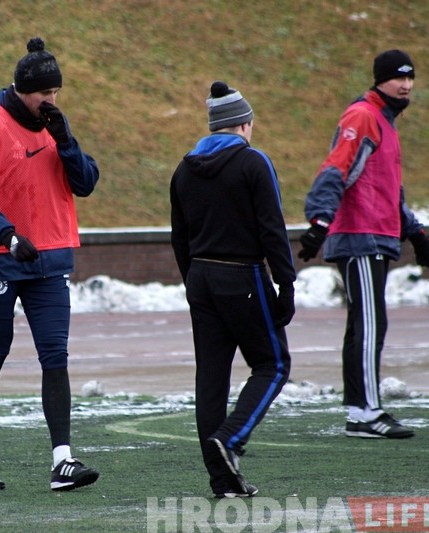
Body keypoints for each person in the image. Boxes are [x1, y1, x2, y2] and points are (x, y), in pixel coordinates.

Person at [0, 37, 100, 491]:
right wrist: (7, 235)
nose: (51, 100)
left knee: (55, 357)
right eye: (44, 93)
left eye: (56, 92)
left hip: (50, 261)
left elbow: (86, 183)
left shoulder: (56, 127)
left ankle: (63, 461)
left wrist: (67, 141)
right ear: (22, 89)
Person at [299, 49, 429, 439]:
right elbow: (336, 168)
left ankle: (360, 412)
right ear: (380, 80)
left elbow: (389, 190)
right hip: (361, 236)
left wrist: (415, 233)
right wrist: (320, 220)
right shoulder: (363, 117)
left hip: (376, 235)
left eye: (410, 78)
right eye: (398, 78)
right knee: (370, 324)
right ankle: (367, 413)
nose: (406, 85)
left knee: (363, 324)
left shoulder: (385, 122)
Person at [170, 81, 296, 498]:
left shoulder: (184, 169)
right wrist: (286, 283)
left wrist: (192, 281)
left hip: (200, 278)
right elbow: (272, 227)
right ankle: (232, 438)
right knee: (273, 364)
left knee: (211, 378)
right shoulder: (253, 163)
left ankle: (223, 480)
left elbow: (179, 237)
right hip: (242, 276)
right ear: (244, 124)